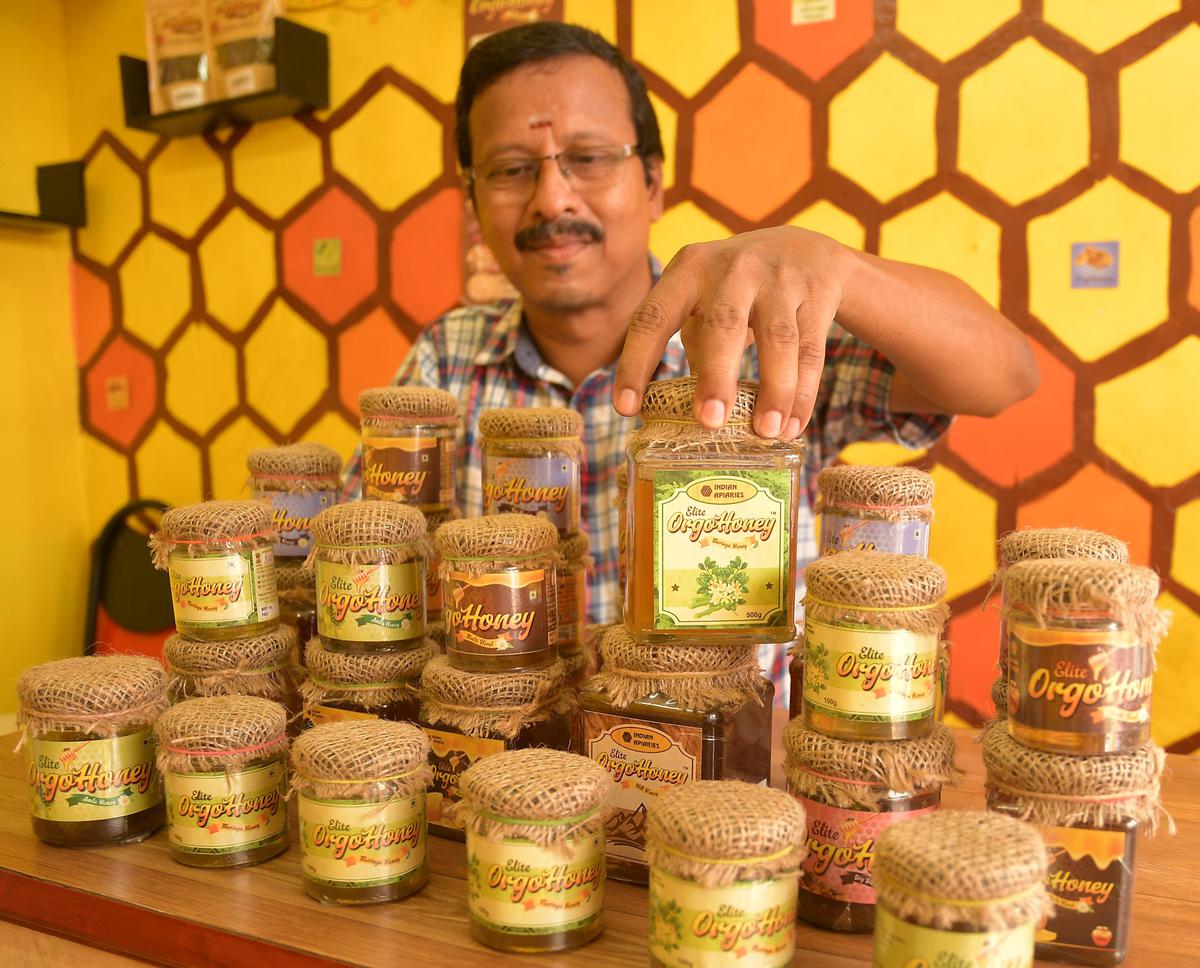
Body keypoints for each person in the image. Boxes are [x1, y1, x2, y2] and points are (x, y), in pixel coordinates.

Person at [344, 22, 1038, 650]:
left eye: (587, 158)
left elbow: (1004, 377)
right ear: (473, 203)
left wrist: (842, 269)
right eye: (511, 170)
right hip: (518, 767)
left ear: (651, 183)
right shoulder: (445, 361)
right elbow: (365, 561)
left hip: (743, 766)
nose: (551, 200)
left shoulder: (770, 327)